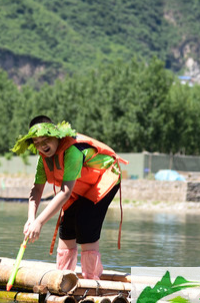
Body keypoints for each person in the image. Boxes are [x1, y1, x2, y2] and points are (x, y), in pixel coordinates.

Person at [11, 115, 128, 280]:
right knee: (66, 227)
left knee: (85, 222)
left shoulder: (72, 151)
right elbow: (37, 190)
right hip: (82, 184)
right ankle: (64, 277)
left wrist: (40, 222)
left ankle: (91, 279)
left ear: (56, 136)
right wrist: (31, 219)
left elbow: (65, 192)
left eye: (45, 140)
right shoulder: (43, 160)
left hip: (105, 177)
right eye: (37, 143)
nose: (42, 146)